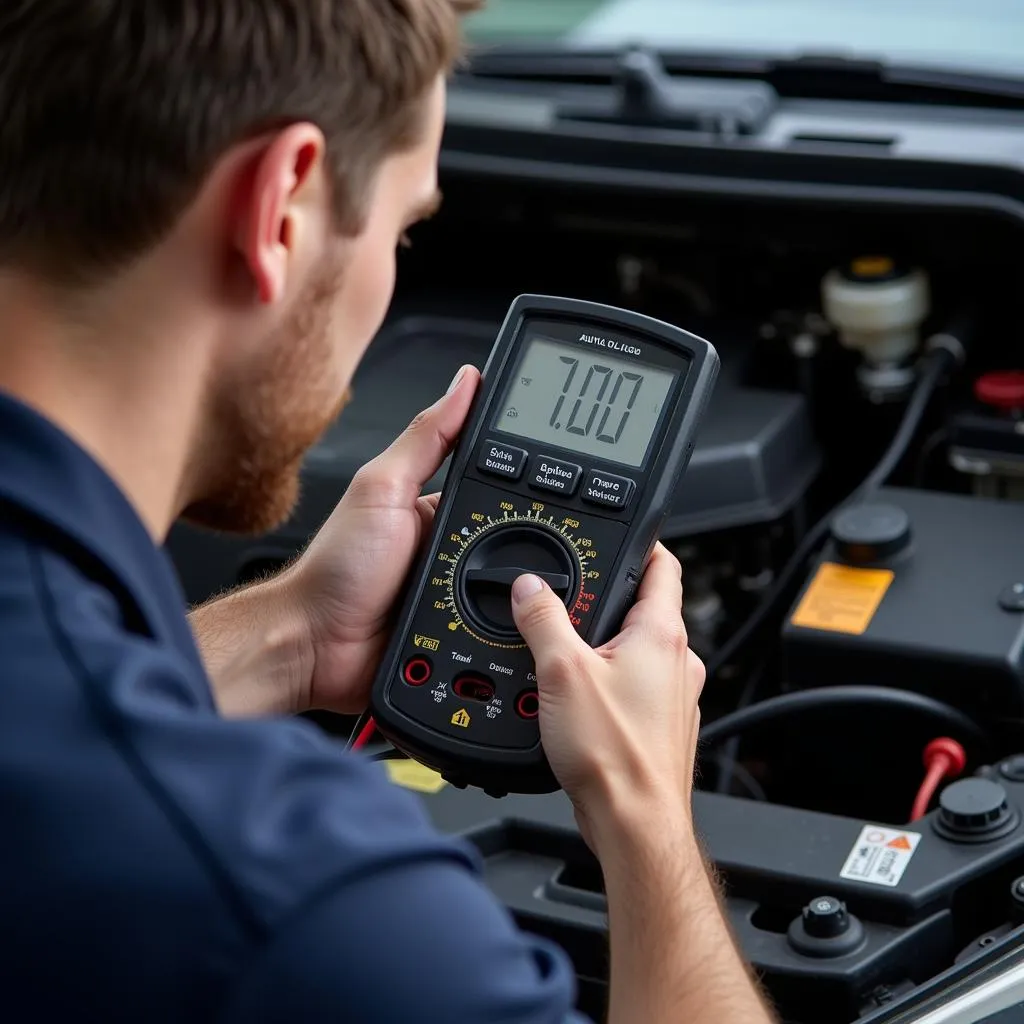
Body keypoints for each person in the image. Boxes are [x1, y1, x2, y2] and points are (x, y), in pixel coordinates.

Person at [0, 2, 775, 1022]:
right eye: (407, 228)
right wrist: (646, 821)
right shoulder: (313, 910)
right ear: (280, 205)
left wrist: (290, 638)